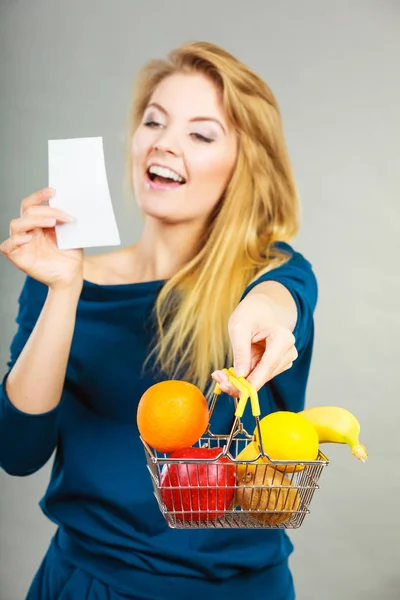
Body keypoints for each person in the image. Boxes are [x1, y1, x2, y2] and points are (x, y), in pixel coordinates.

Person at [0, 41, 317, 600]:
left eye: (200, 133)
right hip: (85, 584)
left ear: (243, 163)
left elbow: (277, 299)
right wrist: (64, 291)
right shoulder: (66, 279)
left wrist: (265, 315)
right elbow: (17, 452)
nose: (165, 143)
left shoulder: (274, 275)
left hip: (237, 591)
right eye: (154, 121)